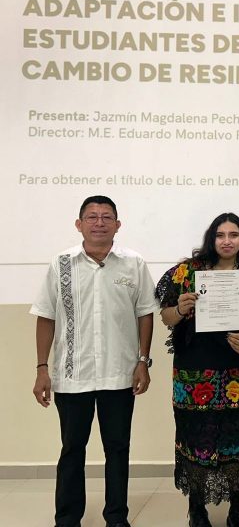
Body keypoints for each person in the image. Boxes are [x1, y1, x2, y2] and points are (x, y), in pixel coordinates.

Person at [31, 195, 157, 527]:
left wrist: (143, 360)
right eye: (91, 216)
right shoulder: (61, 264)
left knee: (118, 448)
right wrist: (42, 368)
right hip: (73, 375)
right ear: (79, 224)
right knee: (72, 448)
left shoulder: (134, 263)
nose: (99, 222)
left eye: (106, 217)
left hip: (120, 374)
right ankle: (67, 519)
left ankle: (116, 517)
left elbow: (145, 313)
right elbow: (46, 316)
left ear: (118, 224)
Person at [155, 213, 239, 527]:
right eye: (220, 235)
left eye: (233, 235)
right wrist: (180, 308)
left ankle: (238, 512)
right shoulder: (186, 272)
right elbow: (167, 317)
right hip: (195, 372)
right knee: (197, 438)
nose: (227, 241)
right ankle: (197, 510)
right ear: (211, 238)